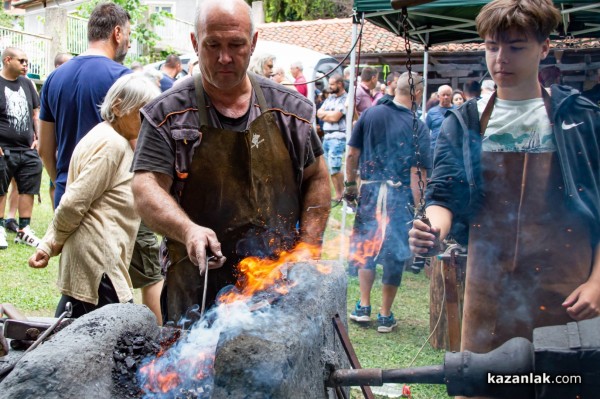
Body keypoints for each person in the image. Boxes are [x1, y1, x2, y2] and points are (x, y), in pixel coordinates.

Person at [409, 0, 600, 371]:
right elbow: (443, 195)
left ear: (545, 48)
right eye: (492, 47)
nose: (501, 60)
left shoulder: (580, 120)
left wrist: (597, 283)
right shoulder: (464, 122)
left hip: (569, 293)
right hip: (488, 295)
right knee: (485, 386)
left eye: (516, 47)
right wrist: (433, 229)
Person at [130, 0, 331, 324]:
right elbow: (145, 186)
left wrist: (308, 247)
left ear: (253, 43)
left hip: (277, 285)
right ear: (196, 43)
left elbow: (318, 179)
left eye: (236, 44)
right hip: (197, 290)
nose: (224, 57)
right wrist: (188, 229)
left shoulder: (289, 111)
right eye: (213, 45)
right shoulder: (167, 114)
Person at [29, 74, 161, 319]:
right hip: (99, 260)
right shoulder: (111, 144)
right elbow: (73, 202)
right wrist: (49, 244)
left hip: (97, 259)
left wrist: (48, 244)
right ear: (118, 106)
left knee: (72, 326)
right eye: (142, 113)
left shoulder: (110, 136)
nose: (147, 122)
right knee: (117, 333)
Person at [346, 72, 430, 333]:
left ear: (396, 88)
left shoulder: (370, 114)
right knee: (394, 252)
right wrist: (420, 208)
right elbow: (418, 173)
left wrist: (350, 185)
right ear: (417, 94)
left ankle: (363, 305)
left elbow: (352, 154)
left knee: (366, 247)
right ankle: (384, 315)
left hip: (370, 193)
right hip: (399, 196)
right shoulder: (418, 125)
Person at [39, 2, 132, 208]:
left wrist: (63, 181)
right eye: (129, 35)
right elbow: (137, 145)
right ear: (117, 33)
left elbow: (44, 149)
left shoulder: (53, 78)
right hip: (107, 199)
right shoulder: (124, 79)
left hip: (65, 193)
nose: (130, 43)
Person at [0, 47, 43, 249]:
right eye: (22, 61)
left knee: (29, 188)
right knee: (0, 189)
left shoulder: (27, 83)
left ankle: (23, 230)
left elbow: (36, 113)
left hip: (27, 149)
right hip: (3, 149)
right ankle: (0, 228)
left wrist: (38, 137)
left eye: (27, 61)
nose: (26, 65)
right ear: (8, 60)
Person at [316, 74, 348, 206]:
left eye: (332, 84)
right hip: (327, 136)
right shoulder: (330, 98)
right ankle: (338, 193)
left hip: (338, 136)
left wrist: (326, 115)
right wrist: (328, 115)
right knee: (328, 167)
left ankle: (341, 194)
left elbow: (335, 117)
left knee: (335, 167)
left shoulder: (345, 99)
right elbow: (319, 112)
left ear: (340, 84)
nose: (329, 87)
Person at [425, 84, 453, 154]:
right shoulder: (431, 112)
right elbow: (426, 131)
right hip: (435, 150)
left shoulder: (458, 110)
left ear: (451, 96)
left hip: (452, 150)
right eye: (443, 95)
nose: (446, 97)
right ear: (438, 96)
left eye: (448, 95)